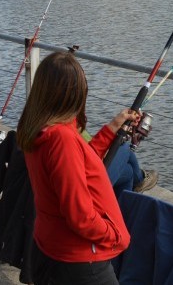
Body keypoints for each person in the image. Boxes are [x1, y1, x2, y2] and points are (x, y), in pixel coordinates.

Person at [16, 51, 134, 285]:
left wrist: (112, 128)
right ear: (76, 94)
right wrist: (115, 234)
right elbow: (80, 216)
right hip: (80, 262)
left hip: (51, 247)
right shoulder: (61, 139)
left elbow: (78, 161)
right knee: (129, 163)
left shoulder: (39, 128)